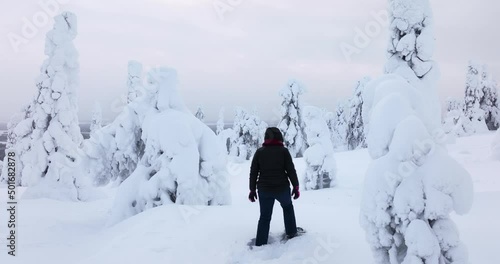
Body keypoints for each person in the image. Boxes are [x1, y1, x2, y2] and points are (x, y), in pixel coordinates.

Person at [248, 127, 300, 246]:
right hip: (282, 189)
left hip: (264, 190)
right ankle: (291, 233)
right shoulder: (284, 151)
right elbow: (291, 170)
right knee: (287, 208)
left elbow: (253, 172)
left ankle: (261, 243)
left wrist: (252, 190)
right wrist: (295, 186)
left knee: (265, 217)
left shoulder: (260, 152)